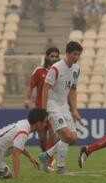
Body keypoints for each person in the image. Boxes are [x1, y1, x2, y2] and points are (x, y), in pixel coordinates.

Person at [36, 41, 83, 174]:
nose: (76, 57)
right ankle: (61, 167)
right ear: (67, 53)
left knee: (73, 138)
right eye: (74, 54)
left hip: (64, 106)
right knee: (67, 136)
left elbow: (73, 89)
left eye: (78, 55)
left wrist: (74, 109)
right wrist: (44, 111)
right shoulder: (56, 68)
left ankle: (46, 156)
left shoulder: (76, 69)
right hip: (53, 105)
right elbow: (46, 88)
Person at [26, 47, 60, 157]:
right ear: (46, 57)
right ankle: (45, 154)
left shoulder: (60, 72)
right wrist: (28, 100)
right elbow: (31, 86)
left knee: (54, 134)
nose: (54, 58)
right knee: (42, 137)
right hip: (40, 108)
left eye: (56, 56)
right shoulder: (39, 71)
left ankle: (50, 159)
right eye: (52, 56)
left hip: (55, 108)